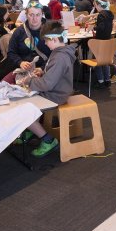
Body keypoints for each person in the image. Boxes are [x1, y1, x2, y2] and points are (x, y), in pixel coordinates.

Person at [23, 22, 76, 157]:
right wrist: (43, 71)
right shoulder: (59, 52)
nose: (45, 44)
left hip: (55, 95)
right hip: (58, 90)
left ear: (54, 39)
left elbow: (47, 84)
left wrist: (30, 81)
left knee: (23, 110)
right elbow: (54, 74)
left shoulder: (59, 57)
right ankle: (32, 129)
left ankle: (48, 140)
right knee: (24, 102)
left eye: (46, 41)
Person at [5, 1, 51, 80]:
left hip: (46, 69)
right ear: (26, 15)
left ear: (42, 15)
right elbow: (11, 52)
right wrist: (20, 62)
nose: (34, 18)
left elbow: (56, 54)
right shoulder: (19, 32)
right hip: (22, 70)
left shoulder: (50, 31)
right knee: (4, 83)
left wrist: (42, 68)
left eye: (38, 15)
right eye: (31, 15)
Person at [90, 0, 114, 89]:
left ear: (98, 5)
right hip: (107, 41)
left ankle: (100, 81)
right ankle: (107, 80)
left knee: (98, 61)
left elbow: (101, 27)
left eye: (95, 5)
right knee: (105, 61)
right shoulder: (110, 13)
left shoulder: (101, 15)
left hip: (99, 42)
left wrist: (94, 27)